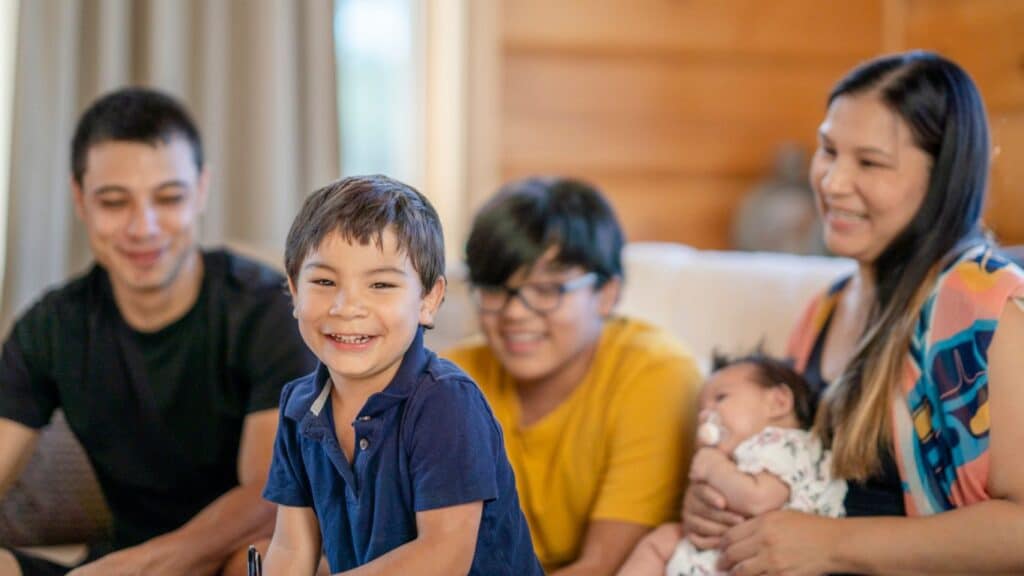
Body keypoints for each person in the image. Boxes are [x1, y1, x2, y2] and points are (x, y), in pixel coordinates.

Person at [682, 51, 1024, 575]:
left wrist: (832, 544)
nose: (832, 182)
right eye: (827, 150)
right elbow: (789, 471)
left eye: (869, 163)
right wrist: (716, 506)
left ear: (941, 179)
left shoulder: (990, 307)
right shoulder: (826, 309)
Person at [0, 87, 316, 576]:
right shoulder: (53, 326)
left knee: (256, 560)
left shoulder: (266, 310)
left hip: (234, 558)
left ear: (202, 190)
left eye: (169, 197)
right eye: (113, 201)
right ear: (80, 200)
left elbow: (268, 494)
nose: (143, 227)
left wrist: (139, 569)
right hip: (122, 559)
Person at [261, 175, 542, 575]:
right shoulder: (298, 407)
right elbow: (292, 547)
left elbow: (443, 557)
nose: (347, 307)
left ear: (429, 300)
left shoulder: (446, 401)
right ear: (293, 289)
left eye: (380, 284)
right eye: (324, 281)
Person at [444, 177, 703, 575]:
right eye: (496, 288)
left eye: (547, 289)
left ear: (607, 293)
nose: (515, 313)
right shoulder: (451, 379)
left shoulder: (657, 375)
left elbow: (601, 566)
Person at [616, 354, 845, 576]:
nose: (706, 415)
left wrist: (714, 469)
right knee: (661, 540)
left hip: (767, 558)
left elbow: (760, 500)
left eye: (721, 398)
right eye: (700, 412)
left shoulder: (787, 445)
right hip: (725, 551)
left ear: (778, 402)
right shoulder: (734, 457)